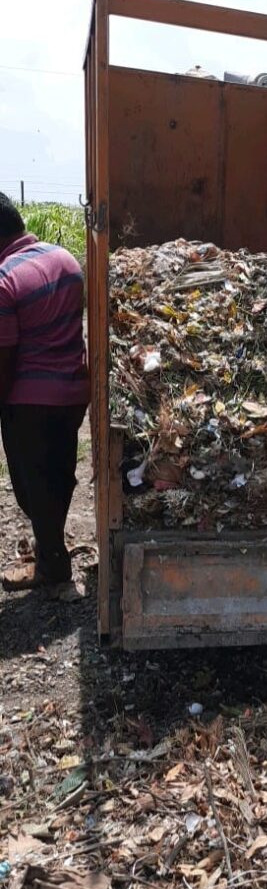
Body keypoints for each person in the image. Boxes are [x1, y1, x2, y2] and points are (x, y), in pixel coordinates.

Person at [0, 193, 89, 596]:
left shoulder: (5, 280)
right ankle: (50, 550)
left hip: (30, 402)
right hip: (73, 392)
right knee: (59, 472)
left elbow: (4, 360)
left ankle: (53, 568)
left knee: (30, 485)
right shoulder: (65, 259)